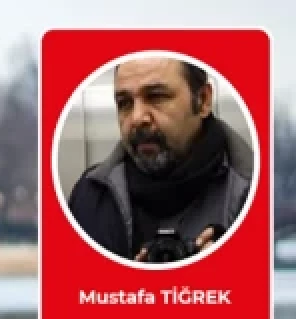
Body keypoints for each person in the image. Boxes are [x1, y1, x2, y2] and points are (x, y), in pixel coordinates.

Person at [67, 57, 254, 263]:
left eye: (156, 97)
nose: (137, 118)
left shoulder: (252, 195)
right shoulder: (89, 198)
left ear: (203, 100)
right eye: (124, 103)